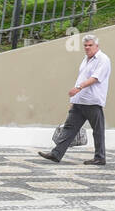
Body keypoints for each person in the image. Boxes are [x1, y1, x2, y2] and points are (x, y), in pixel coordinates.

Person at [39, 34, 111, 165]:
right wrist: (73, 101)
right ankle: (56, 154)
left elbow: (95, 78)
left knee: (98, 130)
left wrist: (78, 88)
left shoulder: (103, 59)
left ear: (97, 46)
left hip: (92, 101)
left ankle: (100, 157)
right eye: (85, 45)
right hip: (79, 101)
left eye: (90, 45)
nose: (87, 48)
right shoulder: (85, 59)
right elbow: (81, 77)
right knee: (69, 128)